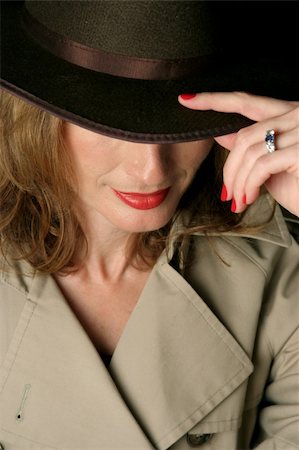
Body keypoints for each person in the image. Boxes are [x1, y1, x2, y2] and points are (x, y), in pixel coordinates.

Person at [0, 1, 298, 449]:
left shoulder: (277, 267)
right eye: (106, 125)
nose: (150, 170)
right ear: (37, 118)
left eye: (180, 124)